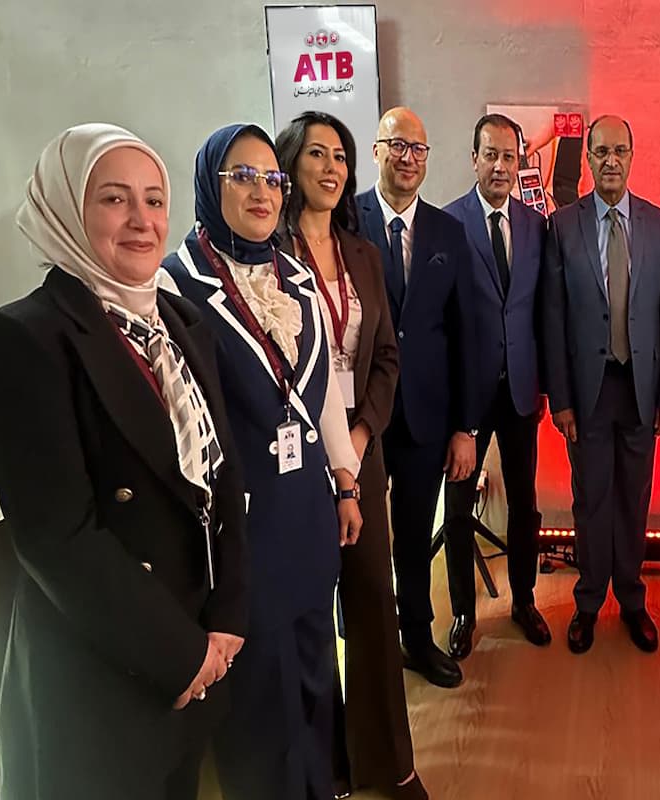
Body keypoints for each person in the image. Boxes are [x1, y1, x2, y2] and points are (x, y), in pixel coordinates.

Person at [0, 123, 247, 800]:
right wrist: (182, 655)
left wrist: (229, 615)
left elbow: (223, 481)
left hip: (195, 654)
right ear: (65, 209)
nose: (142, 220)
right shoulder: (24, 338)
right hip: (103, 676)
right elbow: (59, 539)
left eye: (154, 200)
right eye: (114, 199)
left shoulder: (180, 322)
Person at [163, 123, 362, 800]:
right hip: (242, 532)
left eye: (271, 178)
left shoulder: (294, 275)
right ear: (209, 184)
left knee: (313, 677)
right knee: (261, 710)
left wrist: (344, 480)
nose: (262, 192)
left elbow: (322, 392)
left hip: (305, 514)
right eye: (242, 176)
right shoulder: (177, 285)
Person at [275, 111, 427, 800]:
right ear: (291, 165)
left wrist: (361, 439)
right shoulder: (267, 255)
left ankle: (389, 765)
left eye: (339, 156)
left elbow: (386, 356)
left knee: (371, 602)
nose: (330, 168)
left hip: (360, 454)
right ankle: (324, 769)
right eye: (316, 154)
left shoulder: (361, 253)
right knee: (308, 613)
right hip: (296, 457)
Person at [540, 114, 660, 655]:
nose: (611, 160)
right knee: (590, 499)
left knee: (633, 501)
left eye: (620, 150)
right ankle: (589, 601)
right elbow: (554, 318)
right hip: (588, 393)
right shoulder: (562, 226)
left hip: (640, 390)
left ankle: (633, 600)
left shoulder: (659, 224)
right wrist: (561, 399)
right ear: (589, 159)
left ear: (632, 156)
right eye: (601, 152)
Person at [356, 107, 479, 689]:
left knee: (411, 536)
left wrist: (465, 427)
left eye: (419, 149)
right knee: (357, 537)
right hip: (358, 417)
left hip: (427, 416)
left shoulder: (447, 232)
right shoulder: (343, 222)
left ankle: (416, 638)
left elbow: (465, 333)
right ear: (377, 150)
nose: (408, 158)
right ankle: (364, 643)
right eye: (398, 145)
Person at [441, 113, 550, 658]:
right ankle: (464, 611)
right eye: (491, 155)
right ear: (474, 159)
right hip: (467, 396)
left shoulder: (536, 225)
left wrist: (547, 384)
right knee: (459, 508)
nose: (501, 166)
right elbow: (441, 320)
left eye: (510, 156)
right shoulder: (447, 223)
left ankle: (524, 600)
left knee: (526, 503)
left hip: (522, 390)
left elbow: (543, 312)